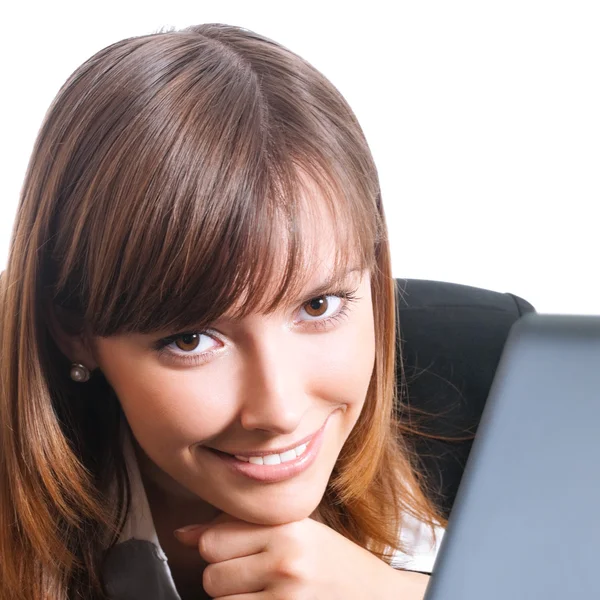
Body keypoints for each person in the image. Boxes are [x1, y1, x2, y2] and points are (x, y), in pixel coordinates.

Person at [0, 23, 446, 600]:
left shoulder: (488, 417)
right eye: (190, 339)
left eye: (318, 305)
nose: (278, 410)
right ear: (75, 332)